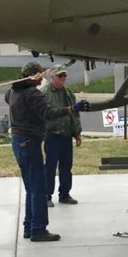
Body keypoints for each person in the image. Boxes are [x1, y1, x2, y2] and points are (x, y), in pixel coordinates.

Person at [6, 62, 90, 242]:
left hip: (17, 141)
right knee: (38, 187)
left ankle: (29, 226)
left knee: (30, 187)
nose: (43, 78)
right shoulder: (32, 93)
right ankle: (38, 229)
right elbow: (48, 113)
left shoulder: (12, 92)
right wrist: (71, 109)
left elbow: (14, 92)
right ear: (34, 76)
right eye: (40, 75)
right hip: (30, 142)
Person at [42, 69, 83, 206]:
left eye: (64, 76)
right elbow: (46, 113)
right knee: (50, 166)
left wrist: (77, 133)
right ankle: (47, 195)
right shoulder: (45, 93)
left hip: (66, 134)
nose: (63, 79)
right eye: (60, 76)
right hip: (52, 134)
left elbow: (75, 115)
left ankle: (65, 194)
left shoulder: (68, 94)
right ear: (52, 77)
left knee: (66, 166)